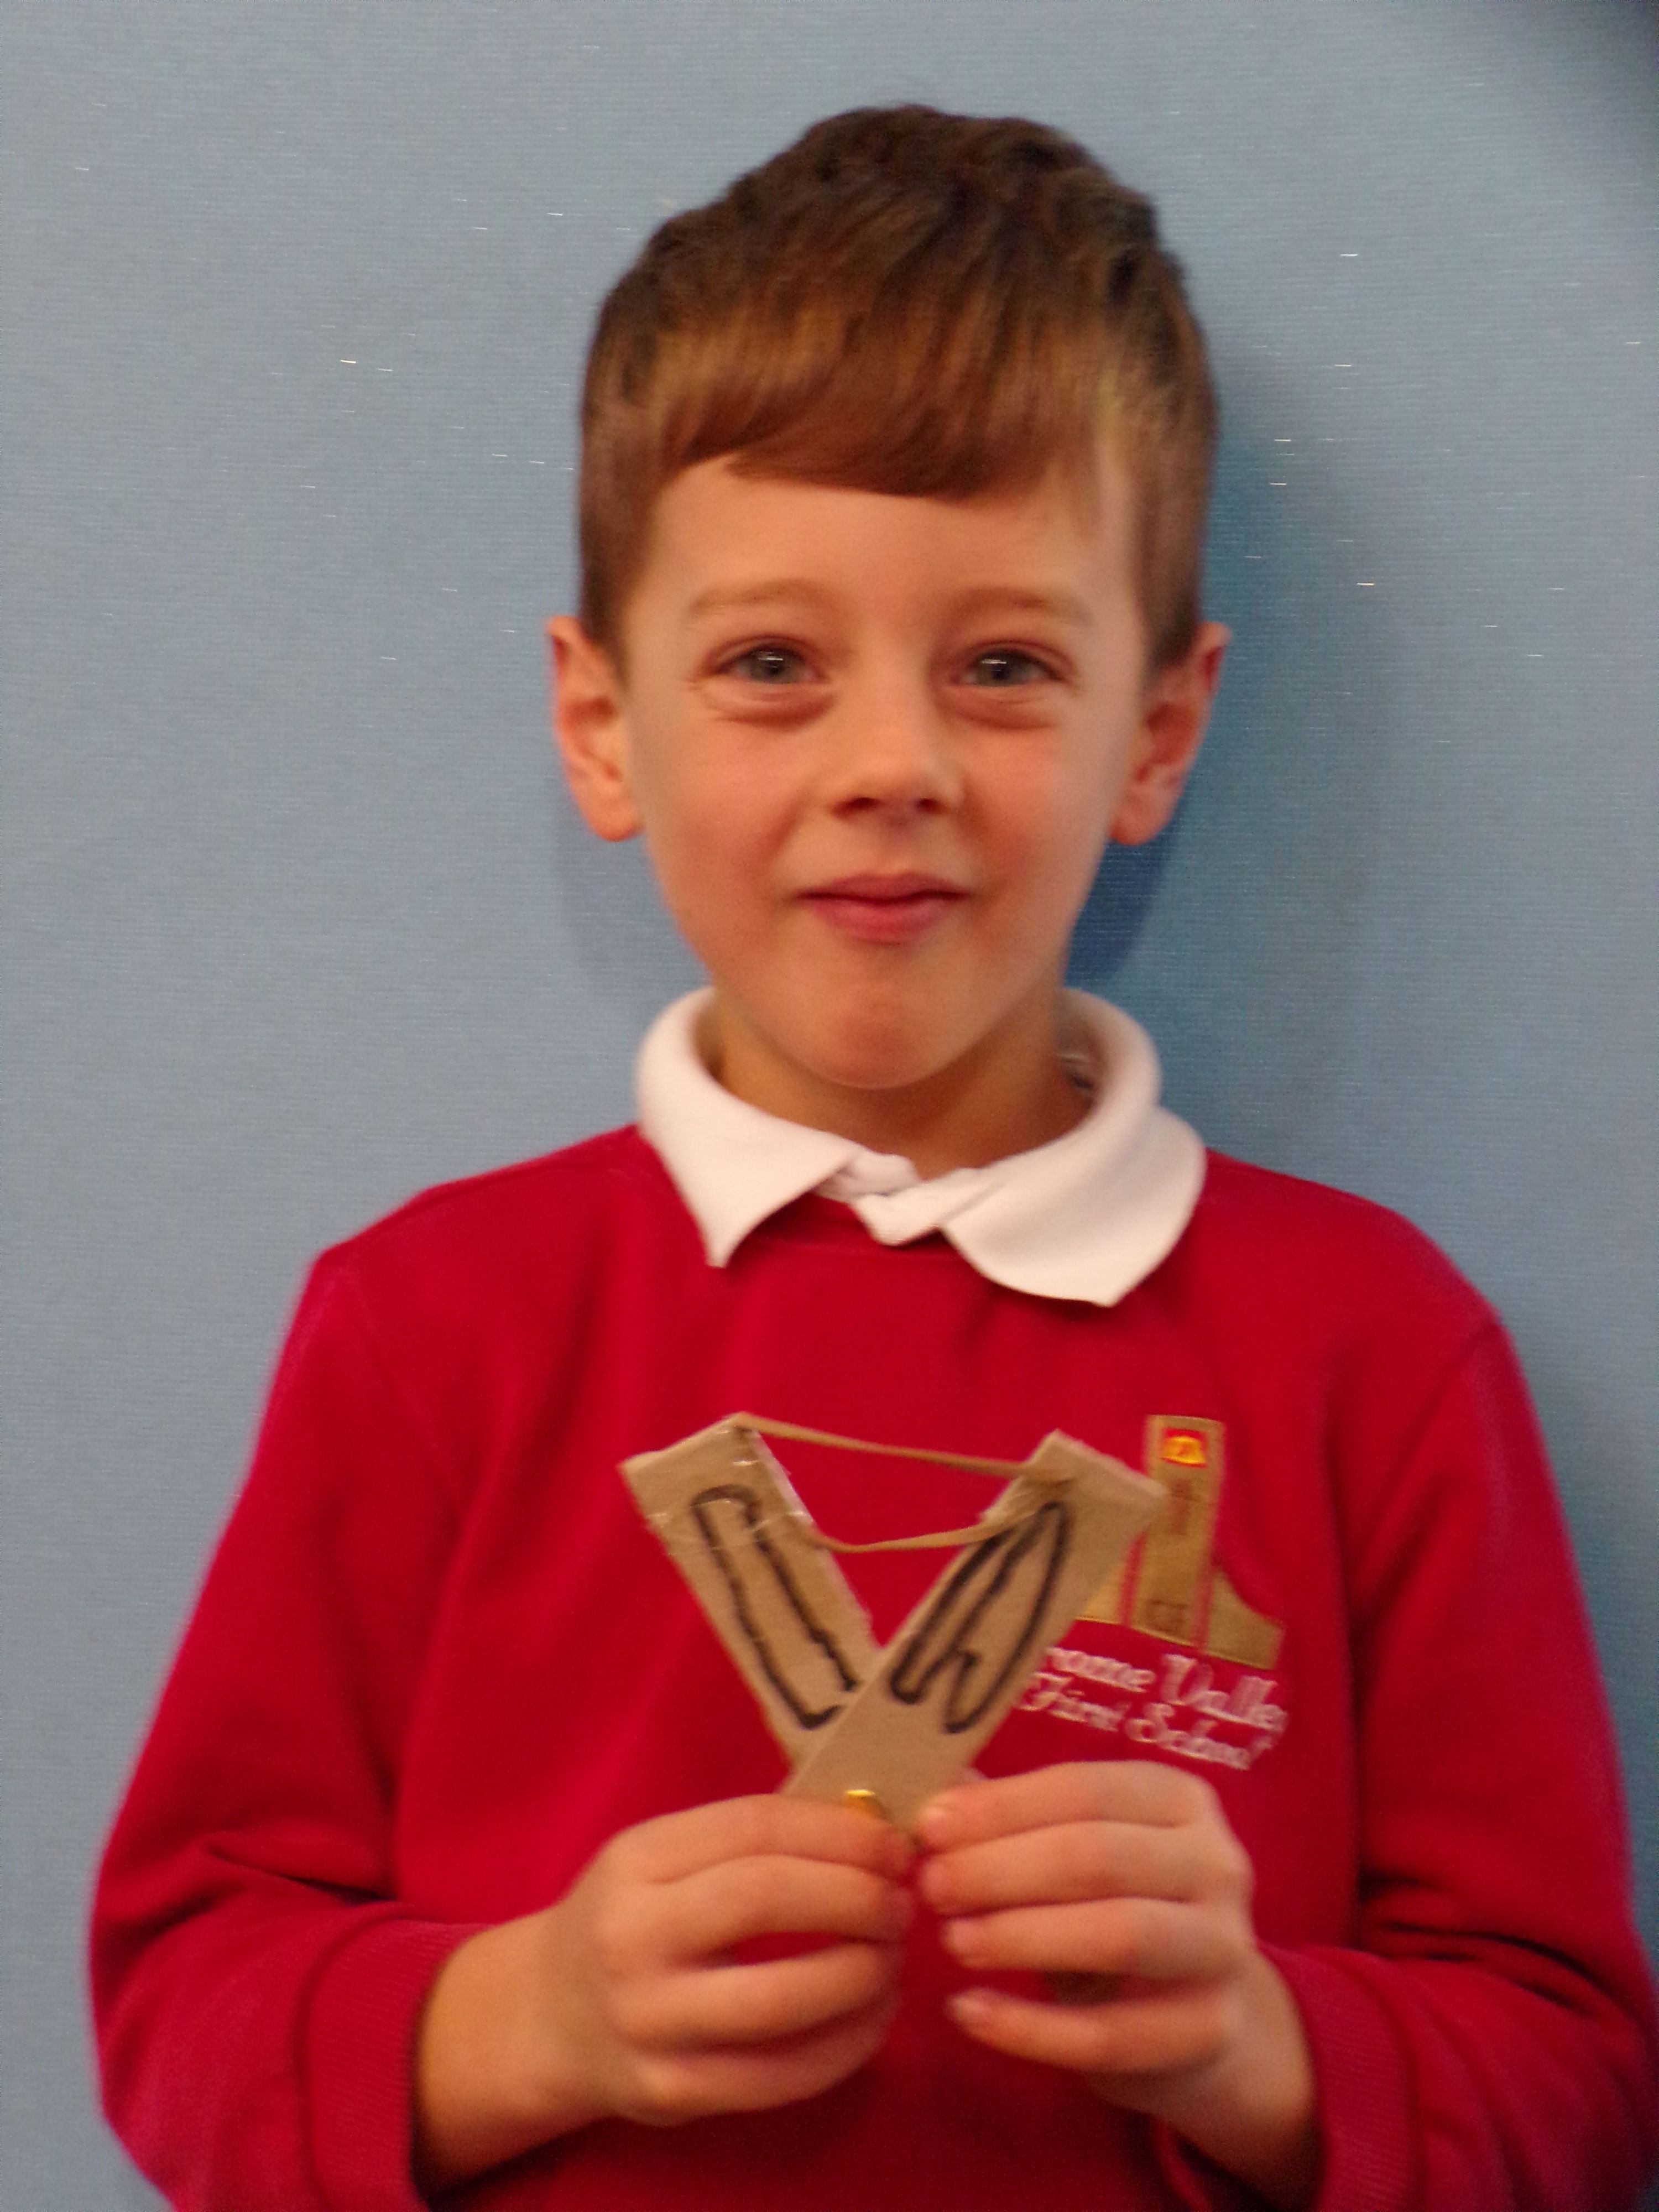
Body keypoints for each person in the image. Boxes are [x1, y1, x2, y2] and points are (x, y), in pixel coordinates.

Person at [91, 105, 1658, 2212]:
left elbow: (1571, 2085)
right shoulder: (429, 1326)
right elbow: (183, 2009)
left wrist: (1259, 2052)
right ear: (601, 725)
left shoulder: (1373, 1354)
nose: (892, 765)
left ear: (1159, 734)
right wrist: (534, 2019)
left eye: (1005, 667)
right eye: (772, 666)